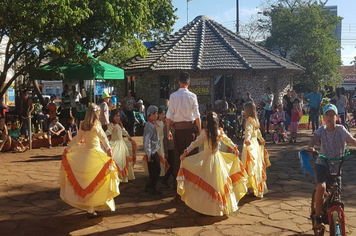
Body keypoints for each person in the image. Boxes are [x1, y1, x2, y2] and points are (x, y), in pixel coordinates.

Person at [178, 111, 247, 216]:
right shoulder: (219, 132)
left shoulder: (205, 133)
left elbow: (195, 143)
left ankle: (207, 208)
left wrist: (185, 152)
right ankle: (218, 208)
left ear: (207, 122)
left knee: (206, 180)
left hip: (207, 159)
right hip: (217, 159)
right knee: (218, 183)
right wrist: (235, 148)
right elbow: (227, 141)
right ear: (217, 122)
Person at [59, 104, 120, 219]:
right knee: (97, 181)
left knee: (87, 181)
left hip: (85, 154)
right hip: (96, 154)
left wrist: (67, 149)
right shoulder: (96, 125)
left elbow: (76, 140)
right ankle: (92, 209)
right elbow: (103, 138)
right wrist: (108, 149)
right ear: (96, 114)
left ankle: (91, 209)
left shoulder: (83, 125)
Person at [308, 104, 356, 229]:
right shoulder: (322, 129)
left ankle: (337, 224)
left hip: (336, 164)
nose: (329, 117)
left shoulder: (340, 130)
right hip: (323, 162)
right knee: (321, 186)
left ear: (337, 117)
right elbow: (313, 139)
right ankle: (318, 218)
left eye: (332, 115)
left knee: (337, 195)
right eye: (327, 115)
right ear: (324, 117)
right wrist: (310, 147)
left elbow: (351, 140)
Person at [166, 72, 201, 196]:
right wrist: (200, 132)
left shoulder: (173, 96)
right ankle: (191, 186)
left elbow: (168, 116)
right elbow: (197, 116)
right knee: (191, 157)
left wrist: (168, 131)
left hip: (178, 132)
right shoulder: (192, 96)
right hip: (190, 132)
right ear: (189, 83)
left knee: (178, 158)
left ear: (179, 82)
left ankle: (178, 187)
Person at [241, 102, 271, 197]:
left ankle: (251, 187)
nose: (244, 111)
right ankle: (255, 186)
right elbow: (258, 132)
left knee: (249, 164)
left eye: (245, 110)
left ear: (248, 111)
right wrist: (261, 140)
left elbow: (249, 131)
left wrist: (247, 139)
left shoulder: (249, 121)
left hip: (250, 145)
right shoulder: (255, 120)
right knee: (256, 165)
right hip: (255, 145)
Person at [106, 109, 135, 182]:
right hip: (115, 144)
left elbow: (124, 131)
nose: (118, 118)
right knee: (116, 160)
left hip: (122, 145)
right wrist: (103, 139)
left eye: (119, 116)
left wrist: (129, 137)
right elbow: (107, 133)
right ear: (112, 117)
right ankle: (116, 178)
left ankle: (124, 177)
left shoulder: (120, 125)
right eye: (116, 116)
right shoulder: (111, 126)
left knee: (123, 160)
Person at [143, 105, 161, 194]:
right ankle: (150, 187)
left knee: (156, 170)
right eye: (156, 113)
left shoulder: (151, 124)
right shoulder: (149, 126)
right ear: (151, 114)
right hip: (152, 152)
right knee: (155, 170)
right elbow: (147, 141)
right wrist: (149, 154)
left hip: (154, 150)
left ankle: (151, 187)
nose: (157, 115)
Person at [155, 107, 169, 176]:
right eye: (162, 114)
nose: (164, 116)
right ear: (158, 114)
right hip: (156, 143)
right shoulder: (154, 123)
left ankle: (162, 173)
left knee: (162, 155)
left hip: (162, 142)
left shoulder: (163, 123)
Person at [161, 118, 175, 188]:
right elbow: (165, 141)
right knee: (172, 166)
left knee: (174, 165)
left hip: (174, 149)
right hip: (169, 149)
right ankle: (165, 179)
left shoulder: (175, 127)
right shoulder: (166, 128)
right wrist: (166, 151)